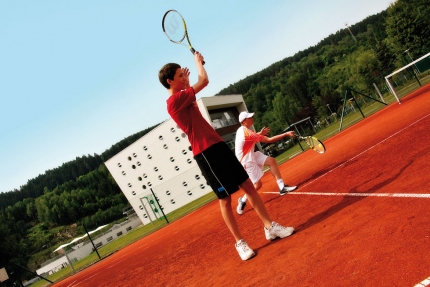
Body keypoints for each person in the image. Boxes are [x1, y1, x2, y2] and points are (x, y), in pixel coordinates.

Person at [158, 52, 294, 261]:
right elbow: (204, 81)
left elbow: (193, 86)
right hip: (205, 153)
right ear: (169, 81)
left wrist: (185, 83)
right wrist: (197, 64)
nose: (184, 77)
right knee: (225, 199)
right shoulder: (173, 102)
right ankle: (240, 243)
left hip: (218, 146)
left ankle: (270, 227)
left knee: (248, 186)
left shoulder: (183, 96)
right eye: (179, 75)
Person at [235, 111, 297, 215]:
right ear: (244, 121)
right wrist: (286, 134)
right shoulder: (247, 133)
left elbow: (250, 139)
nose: (252, 118)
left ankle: (282, 187)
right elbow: (269, 140)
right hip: (246, 160)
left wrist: (260, 133)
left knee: (271, 161)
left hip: (251, 154)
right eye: (249, 117)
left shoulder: (242, 130)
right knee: (258, 185)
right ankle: (242, 200)